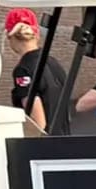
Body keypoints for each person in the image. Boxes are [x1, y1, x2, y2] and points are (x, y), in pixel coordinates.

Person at [6, 7, 67, 135]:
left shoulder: (23, 70)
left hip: (45, 148)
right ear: (37, 34)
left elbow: (38, 122)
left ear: (10, 36)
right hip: (65, 140)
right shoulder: (53, 63)